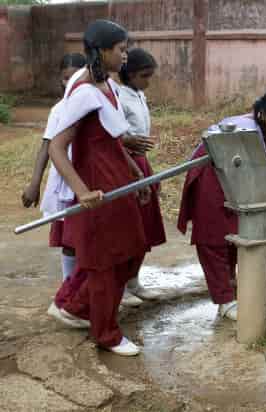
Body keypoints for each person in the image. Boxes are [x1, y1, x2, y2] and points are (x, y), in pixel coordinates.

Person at [47, 19, 149, 356]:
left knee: (130, 250)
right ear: (102, 51)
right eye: (120, 49)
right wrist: (82, 191)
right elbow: (56, 147)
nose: (125, 55)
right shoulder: (84, 91)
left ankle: (75, 307)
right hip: (97, 186)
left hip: (117, 180)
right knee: (106, 261)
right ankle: (106, 333)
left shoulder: (107, 85)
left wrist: (136, 173)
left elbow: (113, 139)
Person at [178, 89, 266, 320]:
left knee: (237, 234)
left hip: (240, 180)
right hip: (213, 176)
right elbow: (253, 172)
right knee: (213, 238)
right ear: (263, 115)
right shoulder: (240, 129)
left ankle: (230, 287)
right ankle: (224, 300)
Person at [23, 53, 87, 281]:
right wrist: (34, 184)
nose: (69, 83)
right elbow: (46, 147)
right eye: (65, 78)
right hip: (66, 182)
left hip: (90, 178)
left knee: (90, 235)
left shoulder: (93, 104)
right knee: (69, 239)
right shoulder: (59, 110)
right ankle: (69, 285)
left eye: (74, 77)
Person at [118, 48, 166, 305]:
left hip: (141, 162)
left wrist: (149, 170)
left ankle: (133, 281)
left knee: (145, 226)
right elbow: (114, 137)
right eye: (144, 76)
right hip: (125, 165)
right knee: (129, 228)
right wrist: (128, 144)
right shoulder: (118, 97)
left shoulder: (139, 94)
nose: (148, 81)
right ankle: (121, 285)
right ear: (130, 74)